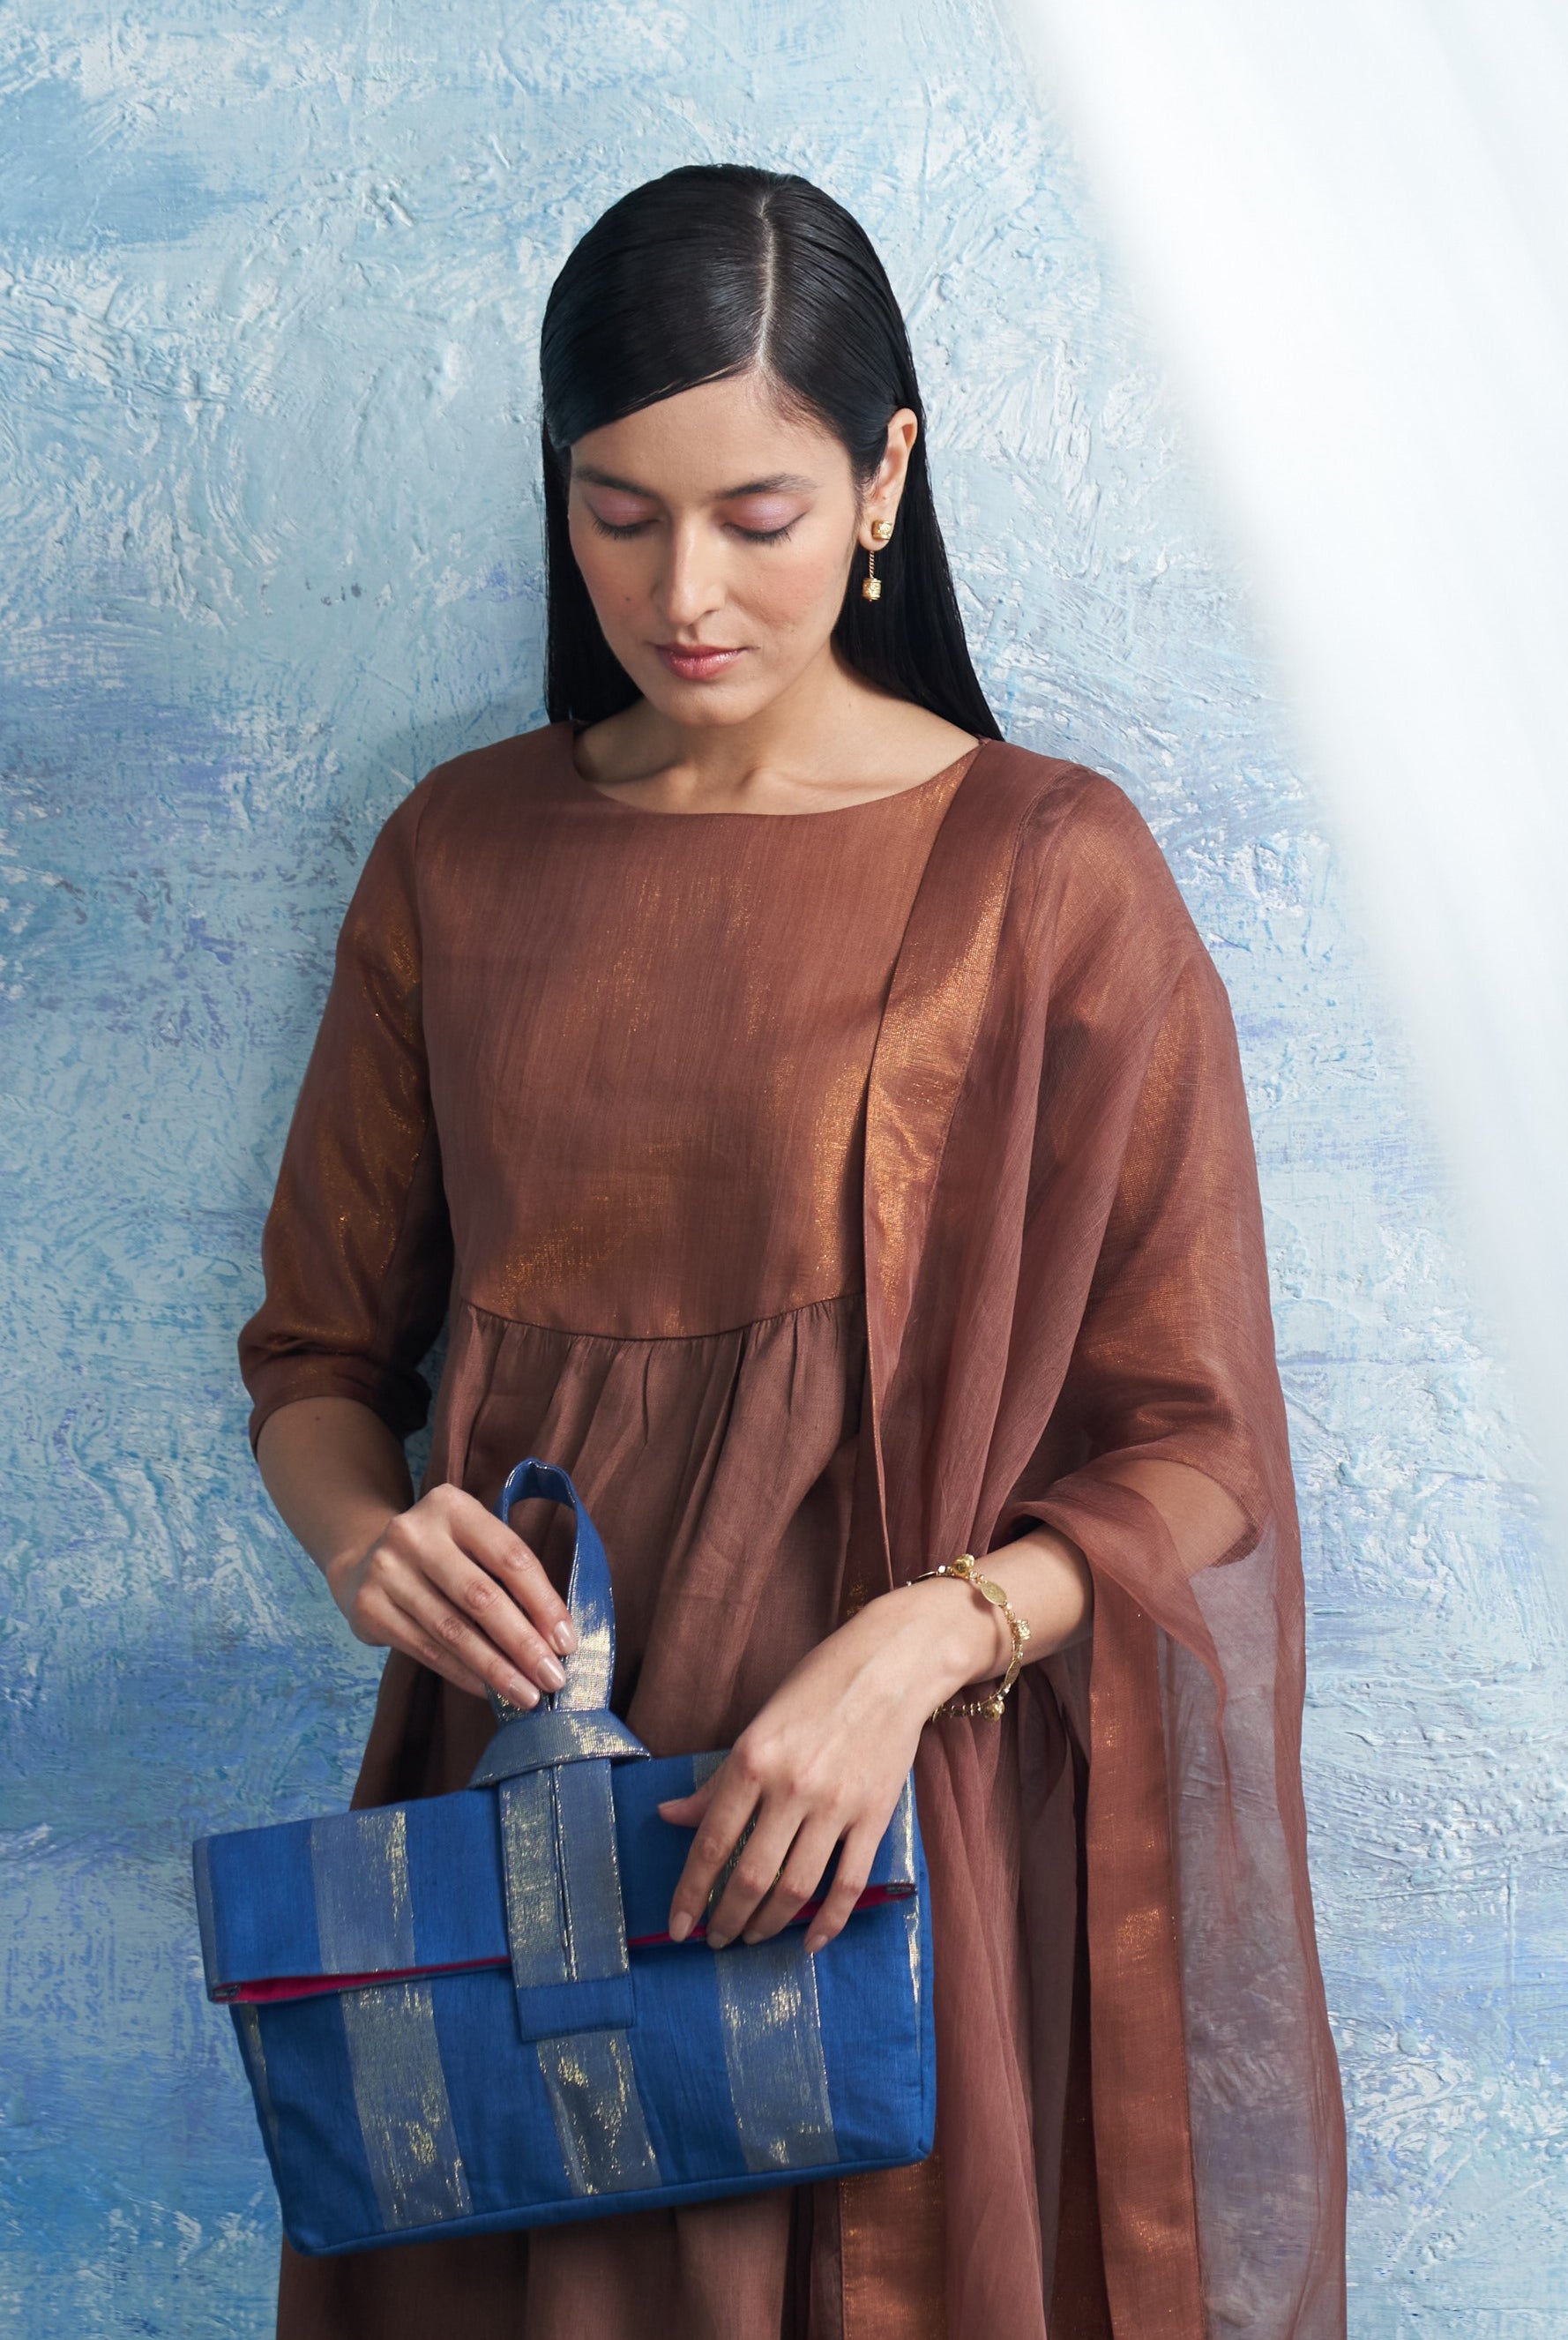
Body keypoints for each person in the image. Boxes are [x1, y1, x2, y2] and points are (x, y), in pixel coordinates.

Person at [239, 163, 1346, 2340]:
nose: (683, 593)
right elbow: (315, 1359)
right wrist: (364, 1540)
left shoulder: (1049, 872)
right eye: (616, 512)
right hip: (516, 1847)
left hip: (872, 1836)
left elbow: (1199, 1450)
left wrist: (912, 1651)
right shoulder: (455, 850)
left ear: (883, 481)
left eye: (755, 516)